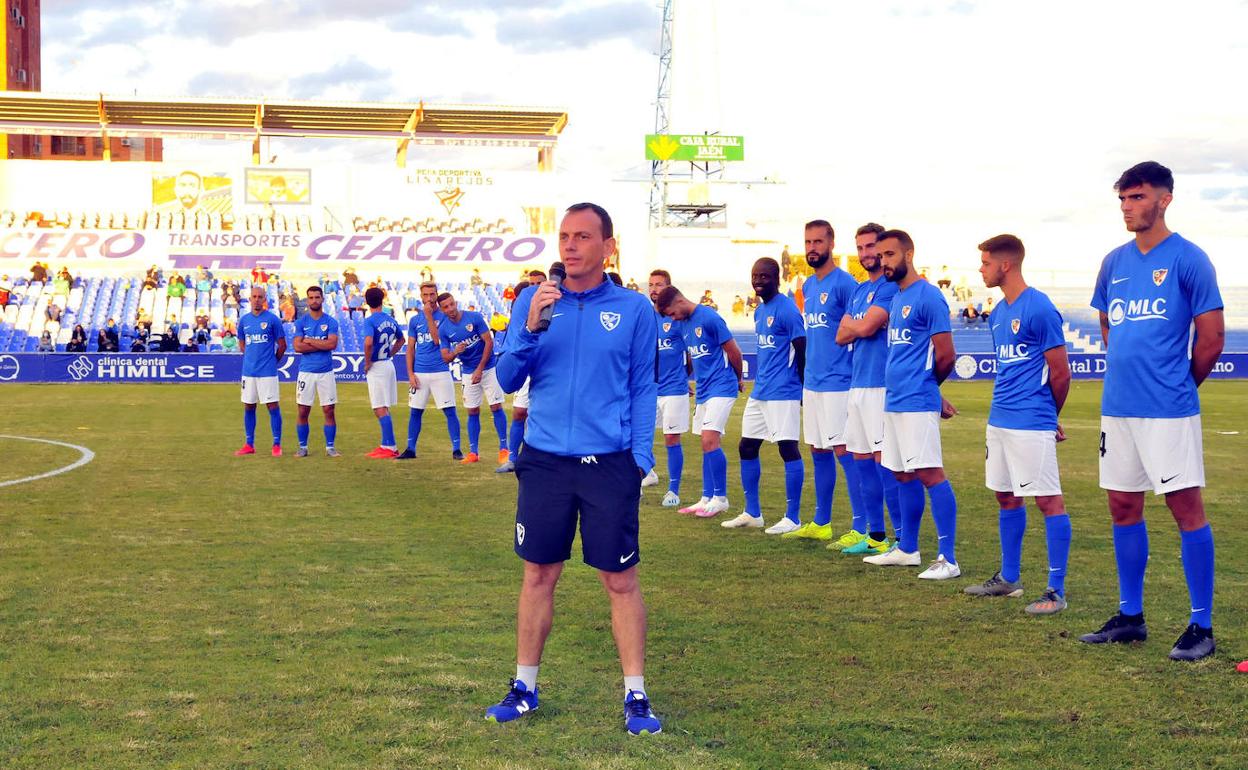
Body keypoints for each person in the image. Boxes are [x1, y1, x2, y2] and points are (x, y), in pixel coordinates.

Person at [487, 202, 661, 735]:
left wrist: (639, 458)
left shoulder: (634, 308)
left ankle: (636, 695)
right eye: (564, 235)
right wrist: (530, 327)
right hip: (544, 461)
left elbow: (643, 386)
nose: (569, 245)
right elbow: (508, 379)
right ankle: (524, 688)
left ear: (608, 246)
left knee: (620, 580)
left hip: (609, 463)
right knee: (539, 574)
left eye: (583, 236)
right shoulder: (533, 301)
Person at [1080, 161, 1223, 661]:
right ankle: (1131, 617)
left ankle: (1201, 625)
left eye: (1137, 197)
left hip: (1168, 411)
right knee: (1123, 506)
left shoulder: (1189, 259)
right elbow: (1108, 324)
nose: (1127, 207)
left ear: (1164, 200)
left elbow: (1211, 339)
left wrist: (1177, 385)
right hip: (1118, 408)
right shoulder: (1113, 262)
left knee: (1185, 508)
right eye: (1123, 198)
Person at [962, 234, 1073, 615]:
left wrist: (1049, 416)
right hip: (1000, 420)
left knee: (1048, 500)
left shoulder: (1039, 308)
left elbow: (1061, 373)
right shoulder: (998, 314)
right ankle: (1008, 578)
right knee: (1006, 496)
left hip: (1031, 421)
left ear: (1005, 265)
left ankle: (1056, 591)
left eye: (986, 263)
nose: (981, 269)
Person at [863, 230, 960, 580]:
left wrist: (929, 388)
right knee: (902, 474)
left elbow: (946, 355)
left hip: (917, 401)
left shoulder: (929, 296)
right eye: (881, 256)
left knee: (930, 473)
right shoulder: (896, 298)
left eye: (890, 254)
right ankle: (907, 549)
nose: (884, 262)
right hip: (894, 401)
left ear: (909, 254)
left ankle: (948, 559)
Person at [786, 220, 863, 542]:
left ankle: (861, 527)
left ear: (831, 244)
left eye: (818, 241)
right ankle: (821, 523)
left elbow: (858, 330)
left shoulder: (846, 284)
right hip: (813, 382)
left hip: (838, 382)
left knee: (844, 450)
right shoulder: (808, 286)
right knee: (818, 449)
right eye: (808, 242)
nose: (812, 248)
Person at [720, 258, 807, 531]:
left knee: (787, 448)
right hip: (761, 391)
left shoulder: (788, 309)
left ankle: (793, 518)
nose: (758, 281)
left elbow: (802, 348)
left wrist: (802, 387)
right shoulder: (759, 311)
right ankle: (752, 513)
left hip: (783, 391)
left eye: (765, 276)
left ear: (777, 278)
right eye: (755, 276)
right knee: (746, 446)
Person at [835, 223, 903, 556]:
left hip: (881, 385)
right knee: (861, 460)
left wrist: (858, 326)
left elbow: (864, 328)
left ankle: (902, 538)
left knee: (883, 462)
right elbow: (841, 335)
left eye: (871, 246)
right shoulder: (860, 290)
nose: (865, 253)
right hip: (857, 384)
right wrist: (859, 326)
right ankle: (876, 535)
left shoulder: (890, 288)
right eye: (860, 248)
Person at [656, 286, 742, 517]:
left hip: (721, 386)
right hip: (704, 390)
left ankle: (720, 498)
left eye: (672, 313)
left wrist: (738, 378)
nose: (673, 319)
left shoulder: (710, 318)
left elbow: (734, 351)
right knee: (705, 443)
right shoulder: (684, 324)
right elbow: (692, 356)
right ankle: (706, 498)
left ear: (679, 301)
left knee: (709, 439)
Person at [438, 292, 508, 466]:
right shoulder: (444, 329)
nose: (450, 308)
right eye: (446, 307)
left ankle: (504, 449)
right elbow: (446, 358)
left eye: (452, 304)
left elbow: (489, 342)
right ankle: (473, 452)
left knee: (496, 406)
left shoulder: (474, 317)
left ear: (455, 302)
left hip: (488, 368)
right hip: (468, 372)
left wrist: (480, 369)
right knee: (472, 411)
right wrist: (455, 352)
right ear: (442, 309)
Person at [398, 282, 463, 461]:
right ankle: (410, 448)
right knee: (415, 411)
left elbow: (437, 340)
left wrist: (428, 316)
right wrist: (410, 374)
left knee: (449, 410)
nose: (429, 298)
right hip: (420, 372)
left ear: (436, 295)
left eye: (432, 294)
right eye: (425, 295)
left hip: (440, 370)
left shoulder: (444, 317)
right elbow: (410, 349)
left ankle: (457, 449)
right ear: (421, 296)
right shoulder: (414, 320)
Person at [645, 270, 691, 506]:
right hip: (649, 389)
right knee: (639, 435)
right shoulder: (645, 317)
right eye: (651, 284)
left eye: (659, 284)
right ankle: (648, 473)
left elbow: (691, 353)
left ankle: (673, 491)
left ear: (669, 288)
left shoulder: (677, 319)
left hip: (673, 389)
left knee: (672, 438)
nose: (654, 289)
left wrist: (684, 377)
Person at [235, 286, 286, 457]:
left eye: (260, 297)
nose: (257, 299)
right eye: (254, 296)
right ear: (250, 299)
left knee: (272, 406)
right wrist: (250, 357)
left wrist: (272, 362)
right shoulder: (244, 320)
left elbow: (282, 345)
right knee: (249, 406)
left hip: (267, 373)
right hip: (248, 372)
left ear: (265, 299)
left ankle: (276, 444)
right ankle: (249, 444)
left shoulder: (273, 320)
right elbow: (242, 343)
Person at [293, 286, 341, 458]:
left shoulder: (331, 322)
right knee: (303, 410)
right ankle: (303, 447)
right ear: (307, 300)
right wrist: (321, 344)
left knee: (329, 409)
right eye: (311, 297)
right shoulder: (301, 322)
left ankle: (330, 448)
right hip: (306, 372)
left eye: (317, 297)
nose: (314, 300)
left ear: (322, 299)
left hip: (325, 372)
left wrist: (310, 340)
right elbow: (298, 347)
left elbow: (332, 344)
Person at [362, 286, 406, 459]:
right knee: (384, 406)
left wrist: (367, 362)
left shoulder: (370, 321)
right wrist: (391, 353)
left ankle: (391, 446)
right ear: (382, 300)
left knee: (379, 407)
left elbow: (368, 343)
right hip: (387, 363)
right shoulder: (390, 319)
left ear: (367, 302)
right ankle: (386, 444)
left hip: (377, 366)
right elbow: (401, 339)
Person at [495, 282, 534, 474]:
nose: (536, 287)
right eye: (532, 283)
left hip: (546, 365)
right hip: (525, 365)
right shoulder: (519, 308)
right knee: (519, 412)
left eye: (539, 282)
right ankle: (512, 459)